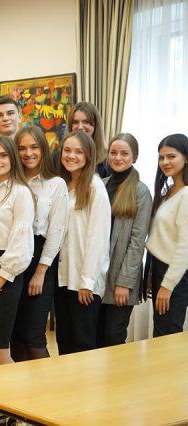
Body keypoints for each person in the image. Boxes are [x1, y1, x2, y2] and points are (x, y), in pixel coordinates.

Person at [11, 126, 68, 361]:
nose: (28, 153)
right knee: (14, 334)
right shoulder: (12, 181)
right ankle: (18, 384)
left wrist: (41, 272)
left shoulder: (56, 184)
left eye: (34, 147)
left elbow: (56, 232)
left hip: (40, 261)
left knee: (33, 335)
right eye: (22, 148)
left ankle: (48, 384)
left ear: (44, 149)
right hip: (13, 259)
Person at [0, 136, 34, 366]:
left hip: (5, 273)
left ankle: (18, 390)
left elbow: (20, 246)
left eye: (3, 155)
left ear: (13, 158)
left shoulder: (20, 192)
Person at [56, 131, 111, 354]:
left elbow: (98, 238)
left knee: (83, 345)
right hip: (63, 277)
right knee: (64, 341)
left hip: (83, 281)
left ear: (89, 155)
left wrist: (87, 281)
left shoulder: (95, 188)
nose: (71, 156)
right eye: (67, 150)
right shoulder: (63, 185)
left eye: (79, 152)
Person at [98, 133, 151, 347]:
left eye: (124, 153)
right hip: (97, 275)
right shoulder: (100, 185)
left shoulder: (140, 191)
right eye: (113, 153)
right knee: (95, 337)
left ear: (134, 157)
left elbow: (138, 241)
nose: (118, 158)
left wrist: (124, 283)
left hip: (120, 277)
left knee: (113, 337)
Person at [146, 133, 188, 337]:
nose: (165, 162)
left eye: (171, 156)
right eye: (161, 157)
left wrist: (168, 285)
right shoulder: (169, 191)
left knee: (168, 336)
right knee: (161, 332)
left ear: (186, 158)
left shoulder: (186, 194)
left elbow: (185, 246)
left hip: (174, 274)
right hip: (158, 268)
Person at [64, 102, 110, 177]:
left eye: (86, 122)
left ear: (95, 125)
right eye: (75, 122)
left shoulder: (107, 160)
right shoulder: (59, 157)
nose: (80, 127)